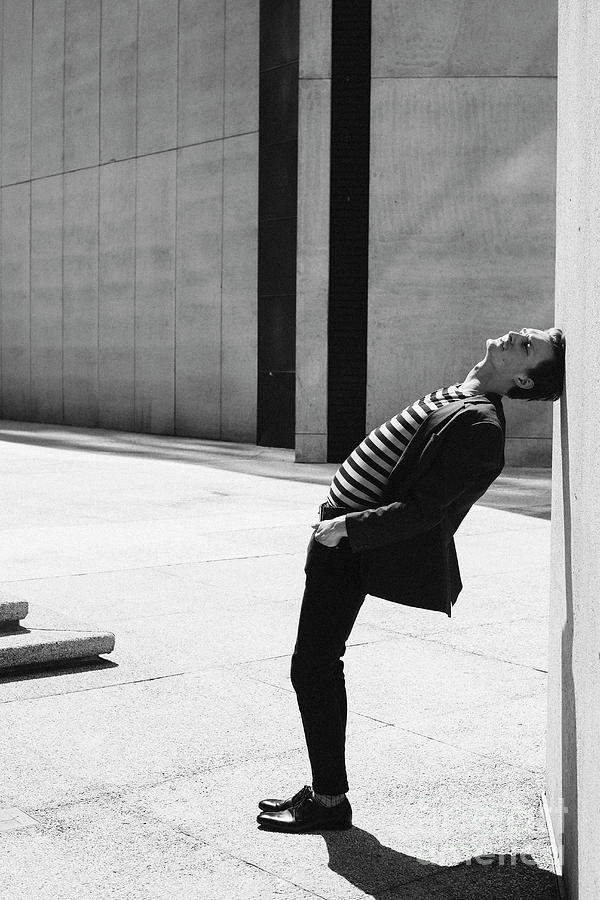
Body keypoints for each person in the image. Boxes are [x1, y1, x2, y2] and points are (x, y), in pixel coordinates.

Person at [256, 327, 565, 833]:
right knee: (314, 664)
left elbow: (426, 512)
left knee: (313, 666)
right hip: (342, 536)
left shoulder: (482, 427)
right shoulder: (465, 394)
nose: (516, 336)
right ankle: (325, 791)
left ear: (526, 383)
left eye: (528, 348)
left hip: (351, 545)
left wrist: (347, 529)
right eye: (525, 334)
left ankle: (330, 801)